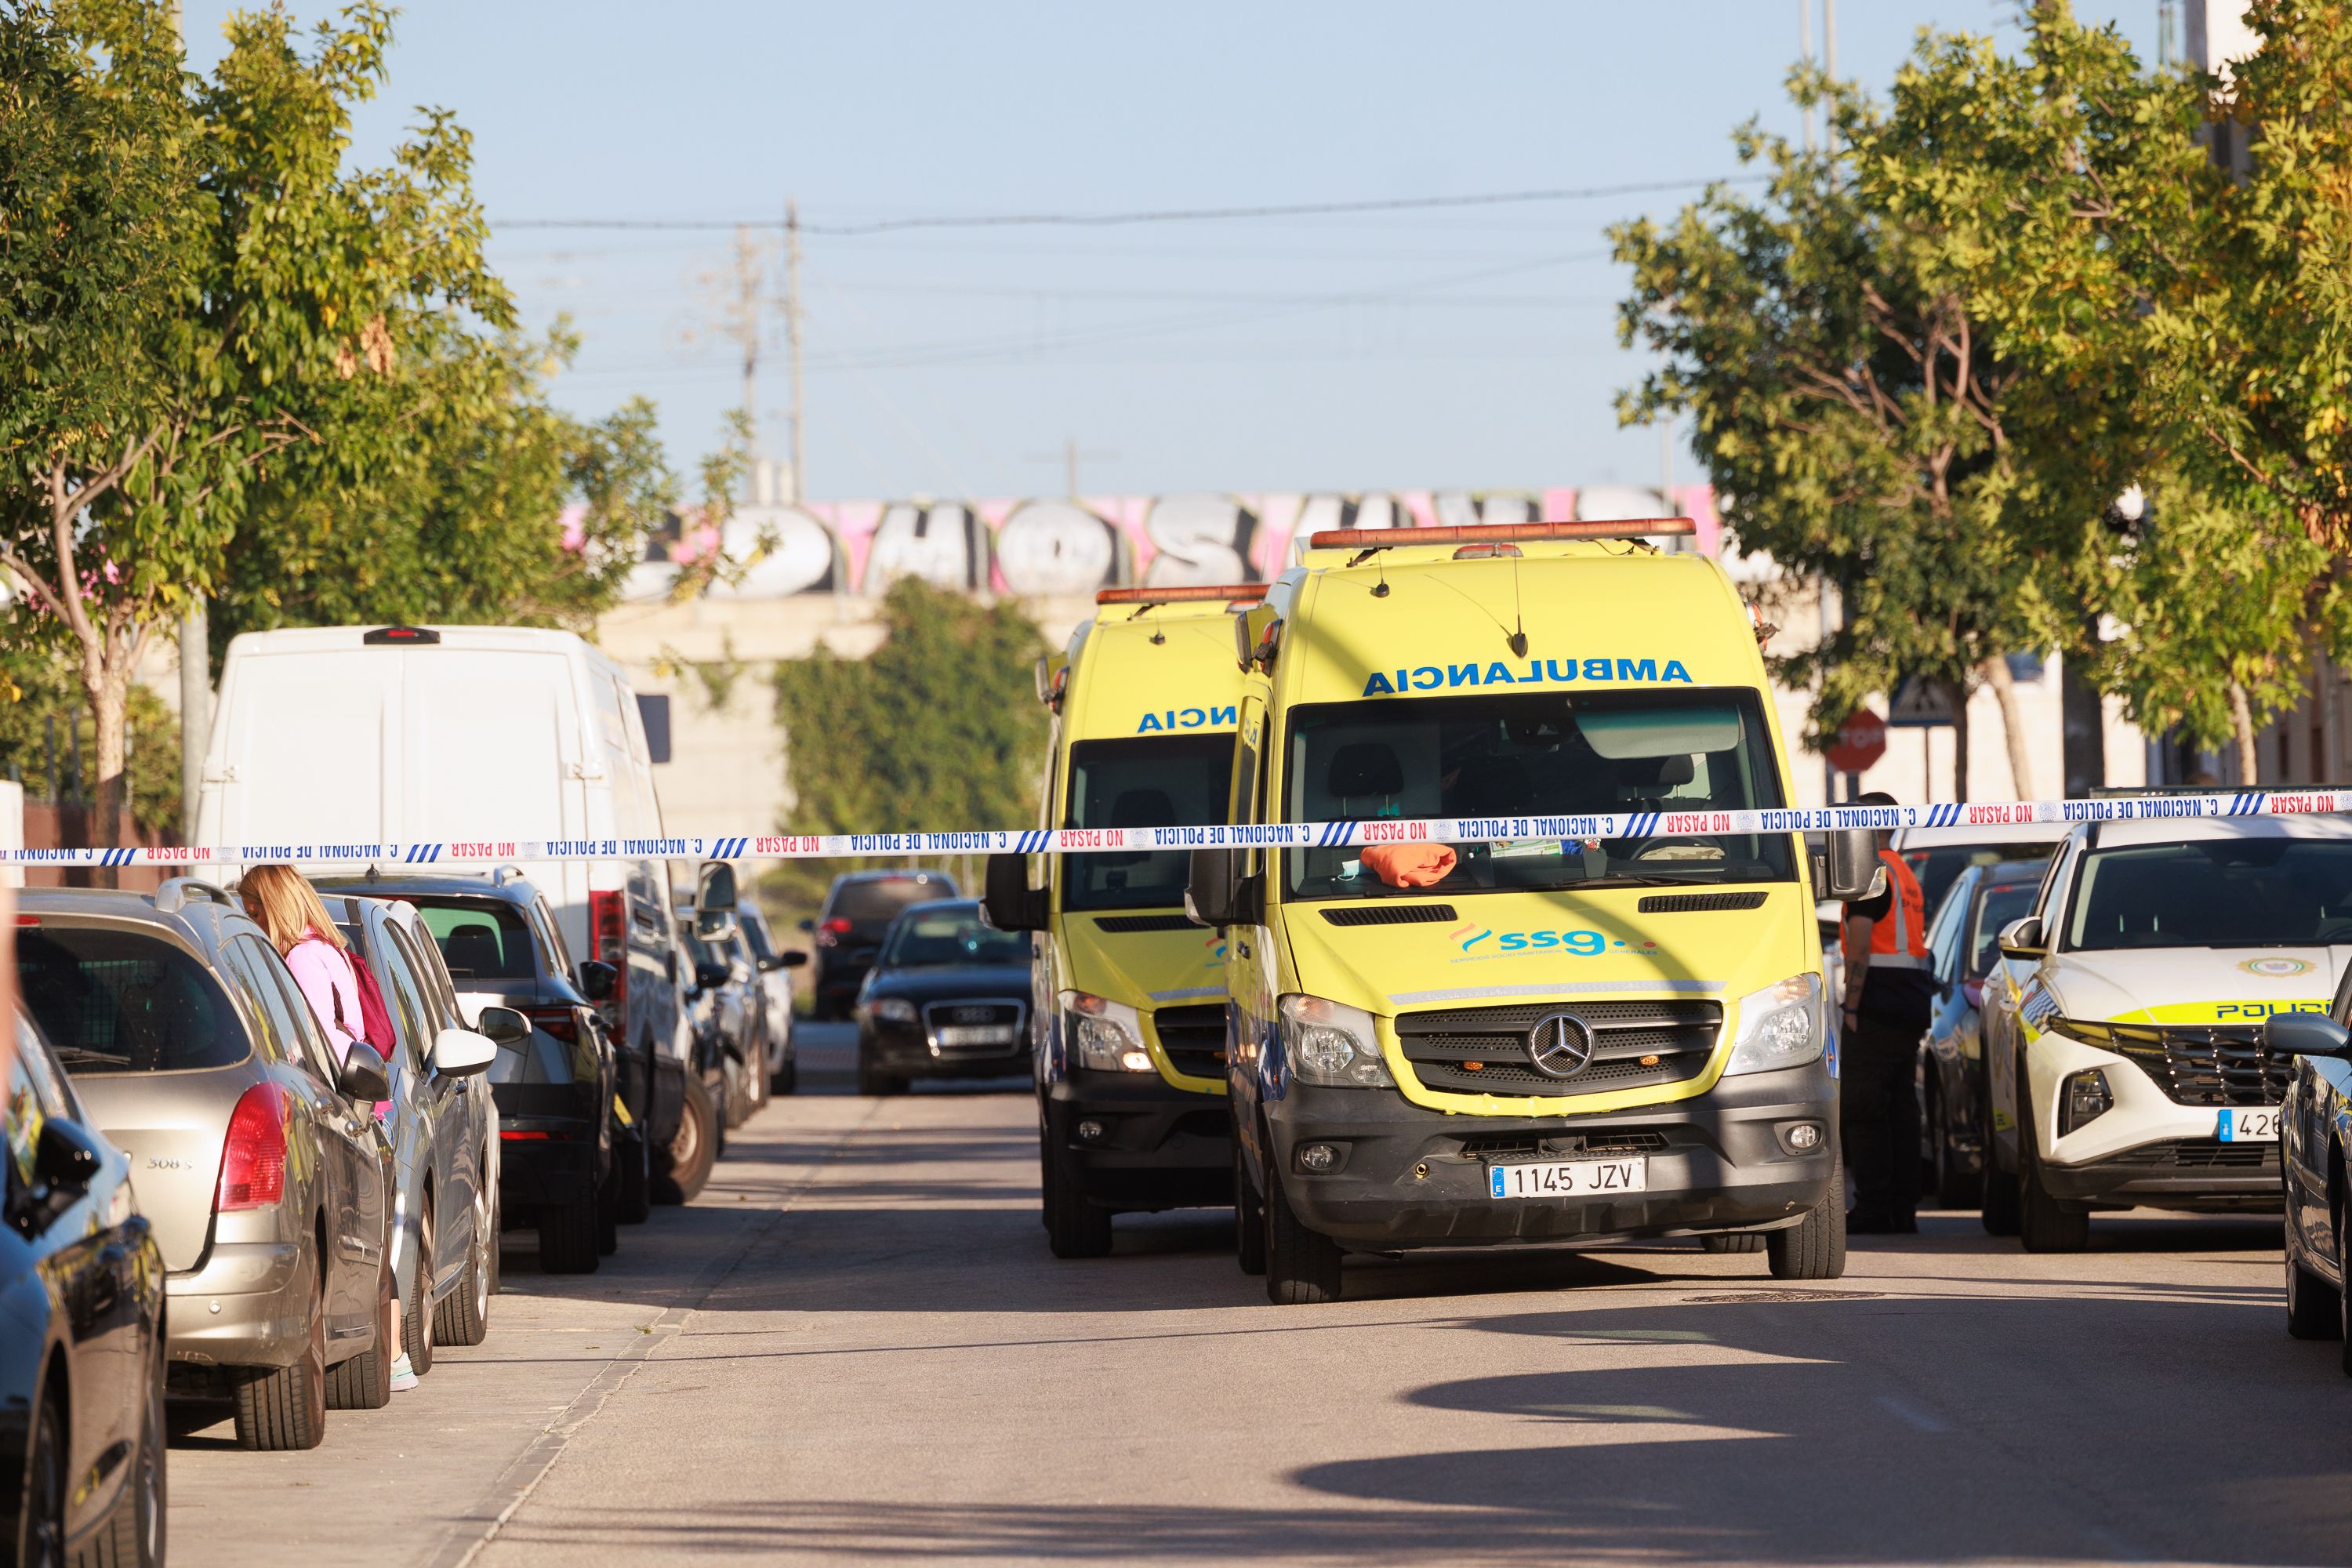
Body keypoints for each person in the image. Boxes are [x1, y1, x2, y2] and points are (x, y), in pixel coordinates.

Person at [238, 864, 418, 1393]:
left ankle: (390, 1355)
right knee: (372, 1243)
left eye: (252, 911)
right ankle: (396, 1355)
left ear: (268, 907)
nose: (253, 923)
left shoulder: (302, 960)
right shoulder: (332, 951)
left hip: (341, 1111)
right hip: (366, 1107)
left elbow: (311, 1049)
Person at [1837, 793, 1934, 1234]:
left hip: (1877, 1002)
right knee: (1899, 1108)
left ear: (1868, 825)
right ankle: (1901, 1207)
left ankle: (1875, 1205)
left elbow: (1859, 944)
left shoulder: (1870, 873)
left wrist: (1852, 1004)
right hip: (1909, 1000)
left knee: (1863, 1103)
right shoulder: (1902, 870)